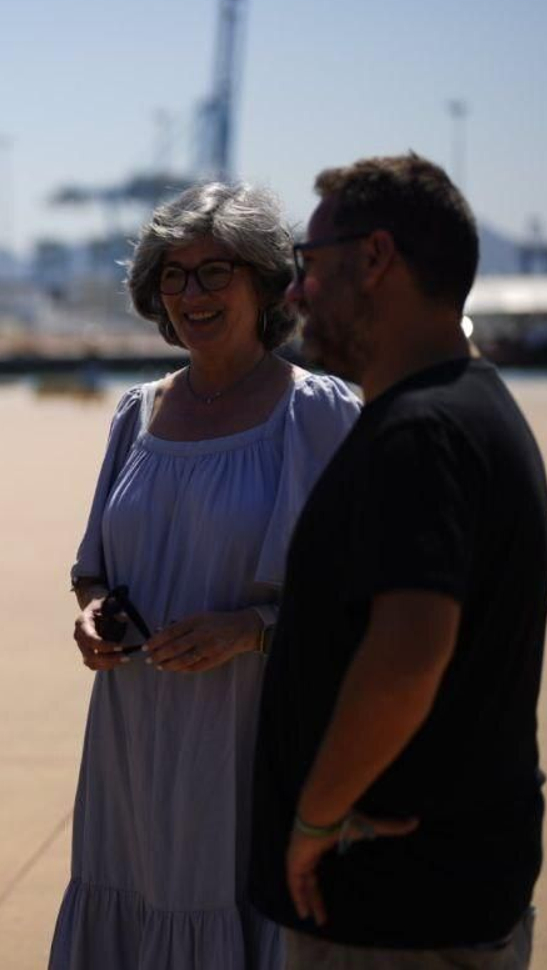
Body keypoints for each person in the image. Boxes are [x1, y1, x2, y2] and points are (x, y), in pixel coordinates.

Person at [249, 153, 547, 969]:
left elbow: (410, 651)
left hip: (396, 911)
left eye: (308, 266)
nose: (295, 292)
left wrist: (316, 818)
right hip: (438, 895)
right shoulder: (471, 407)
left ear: (375, 258)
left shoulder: (421, 434)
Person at [51, 182, 361, 969]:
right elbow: (93, 571)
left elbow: (365, 602)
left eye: (214, 271)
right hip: (130, 739)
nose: (191, 293)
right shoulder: (137, 412)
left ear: (266, 281)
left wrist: (251, 629)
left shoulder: (318, 413)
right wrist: (92, 617)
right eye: (174, 274)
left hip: (246, 740)